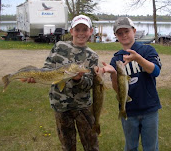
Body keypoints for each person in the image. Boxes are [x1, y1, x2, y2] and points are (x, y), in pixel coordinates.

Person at [22, 15, 99, 151]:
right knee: (67, 146)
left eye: (84, 29)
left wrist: (78, 79)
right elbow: (46, 69)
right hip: (60, 105)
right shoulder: (59, 47)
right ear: (71, 31)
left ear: (91, 32)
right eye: (77, 29)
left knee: (91, 144)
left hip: (83, 106)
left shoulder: (92, 56)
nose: (81, 33)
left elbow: (90, 84)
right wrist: (35, 77)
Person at [100, 17, 162, 151]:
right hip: (129, 111)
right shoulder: (116, 59)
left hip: (149, 109)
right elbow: (118, 90)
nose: (124, 35)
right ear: (116, 36)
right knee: (130, 147)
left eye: (126, 31)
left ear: (134, 31)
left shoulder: (147, 51)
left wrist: (138, 58)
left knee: (151, 147)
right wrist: (114, 74)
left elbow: (155, 71)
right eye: (119, 33)